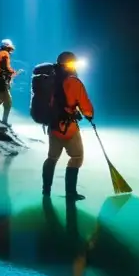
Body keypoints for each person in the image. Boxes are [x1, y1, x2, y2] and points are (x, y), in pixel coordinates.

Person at [42, 51, 94, 201]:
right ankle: (70, 193)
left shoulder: (51, 79)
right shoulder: (73, 82)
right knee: (77, 157)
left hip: (53, 127)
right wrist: (89, 115)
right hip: (68, 128)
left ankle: (46, 190)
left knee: (51, 157)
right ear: (70, 65)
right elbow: (85, 105)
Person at [0, 39, 20, 124]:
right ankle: (4, 121)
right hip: (1, 80)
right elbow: (6, 67)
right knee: (8, 101)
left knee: (1, 99)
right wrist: (13, 72)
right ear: (8, 47)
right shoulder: (5, 54)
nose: (11, 50)